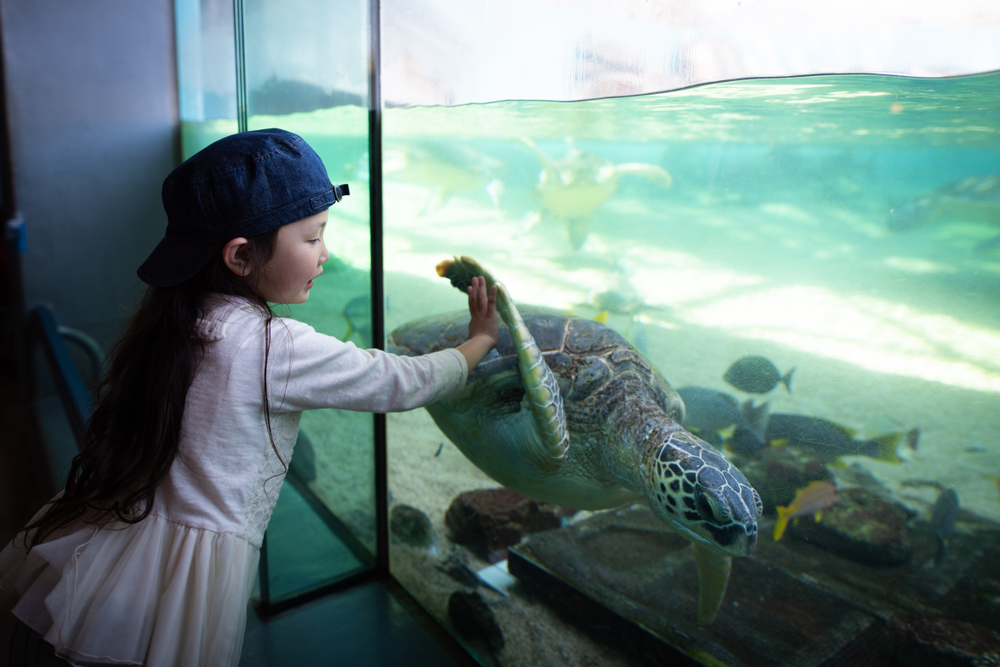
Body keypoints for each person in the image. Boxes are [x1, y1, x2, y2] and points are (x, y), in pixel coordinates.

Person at [0, 128, 498, 667]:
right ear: (240, 255)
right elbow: (401, 381)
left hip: (115, 549)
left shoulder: (181, 317)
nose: (325, 254)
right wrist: (481, 341)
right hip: (178, 585)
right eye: (312, 239)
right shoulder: (271, 346)